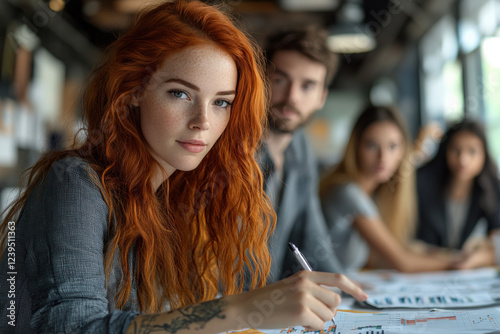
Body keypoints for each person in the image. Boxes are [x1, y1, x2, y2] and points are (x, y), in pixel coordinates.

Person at [0, 2, 368, 333]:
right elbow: (71, 327)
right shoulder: (76, 183)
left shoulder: (180, 192)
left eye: (222, 102)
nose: (203, 122)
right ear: (134, 90)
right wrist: (242, 308)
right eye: (180, 93)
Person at [319, 105, 454, 273]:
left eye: (392, 146)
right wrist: (462, 262)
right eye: (371, 145)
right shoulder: (348, 193)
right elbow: (404, 263)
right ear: (356, 147)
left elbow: (375, 256)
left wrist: (436, 254)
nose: (383, 157)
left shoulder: (373, 194)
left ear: (403, 149)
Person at [258, 26, 344, 281]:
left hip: (269, 309)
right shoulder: (230, 148)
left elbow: (312, 239)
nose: (292, 97)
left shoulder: (301, 147)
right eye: (280, 79)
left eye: (307, 86)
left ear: (321, 97)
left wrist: (344, 285)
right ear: (261, 80)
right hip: (226, 308)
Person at [417, 119, 500, 255]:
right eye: (456, 150)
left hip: (469, 269)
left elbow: (496, 239)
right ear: (446, 150)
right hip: (425, 265)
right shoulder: (424, 183)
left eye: (472, 151)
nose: (463, 160)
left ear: (484, 154)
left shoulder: (493, 189)